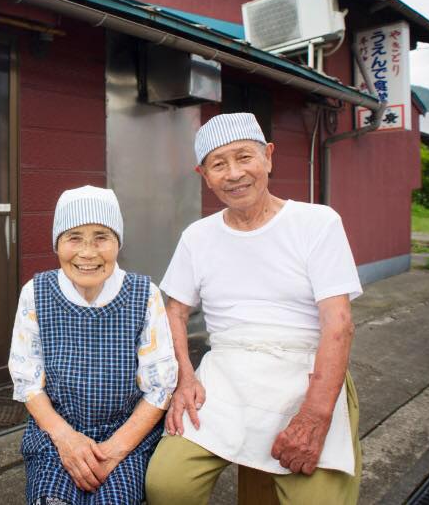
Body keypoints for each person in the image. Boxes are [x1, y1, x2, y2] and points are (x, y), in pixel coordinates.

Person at [145, 113, 362, 505]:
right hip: (225, 374)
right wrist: (185, 378)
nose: (233, 174)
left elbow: (339, 324)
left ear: (269, 158)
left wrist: (316, 415)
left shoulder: (317, 223)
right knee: (168, 485)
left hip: (305, 371)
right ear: (204, 175)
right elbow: (173, 312)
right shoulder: (197, 237)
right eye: (218, 164)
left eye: (244, 157)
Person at [9, 185, 178, 505]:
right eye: (74, 237)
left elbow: (160, 387)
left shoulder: (144, 295)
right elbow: (27, 378)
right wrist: (65, 438)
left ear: (118, 243)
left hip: (126, 435)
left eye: (101, 236)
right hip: (56, 433)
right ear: (57, 244)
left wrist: (115, 450)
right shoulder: (36, 293)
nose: (88, 252)